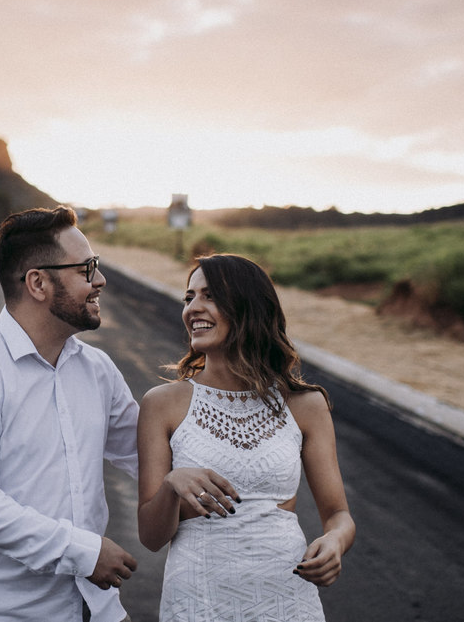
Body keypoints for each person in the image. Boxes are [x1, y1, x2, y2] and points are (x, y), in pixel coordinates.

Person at [0, 207, 141, 622]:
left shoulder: (98, 371)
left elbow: (146, 455)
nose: (100, 280)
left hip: (98, 609)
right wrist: (83, 551)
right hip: (3, 612)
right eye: (87, 268)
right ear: (38, 283)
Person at [136, 253, 356, 621]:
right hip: (197, 598)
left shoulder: (305, 404)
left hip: (286, 598)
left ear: (248, 306)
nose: (193, 308)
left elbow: (338, 514)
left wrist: (335, 541)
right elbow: (151, 537)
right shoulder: (162, 404)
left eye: (210, 296)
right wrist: (172, 484)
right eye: (188, 297)